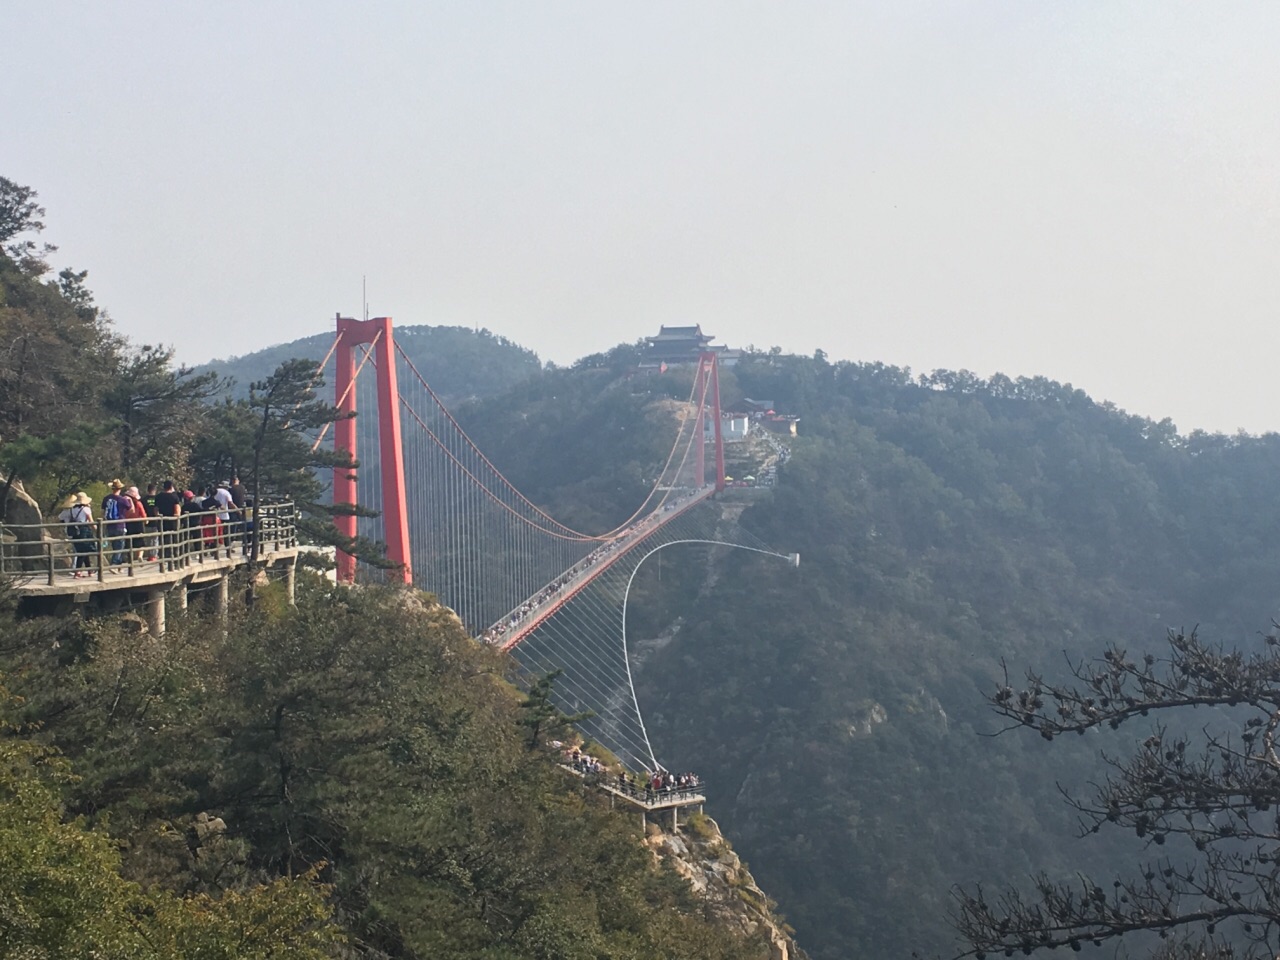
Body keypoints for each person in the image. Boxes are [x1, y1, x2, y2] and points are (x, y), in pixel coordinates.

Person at [58, 492, 95, 577]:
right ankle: (78, 571)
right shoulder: (86, 509)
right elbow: (91, 521)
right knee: (83, 551)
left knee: (82, 550)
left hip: (74, 532)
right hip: (84, 531)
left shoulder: (69, 510)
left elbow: (60, 518)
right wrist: (97, 529)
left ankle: (89, 570)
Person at [101, 480, 132, 565]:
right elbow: (131, 510)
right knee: (120, 546)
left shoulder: (106, 498)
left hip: (109, 525)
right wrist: (130, 500)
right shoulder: (123, 500)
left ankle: (118, 565)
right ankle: (114, 563)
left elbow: (103, 512)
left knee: (115, 546)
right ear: (120, 488)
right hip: (120, 525)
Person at [154, 480, 183, 562]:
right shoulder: (174, 497)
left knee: (163, 538)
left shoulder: (158, 496)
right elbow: (177, 508)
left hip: (162, 520)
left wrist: (157, 517)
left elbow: (156, 509)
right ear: (171, 486)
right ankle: (174, 555)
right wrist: (177, 516)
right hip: (172, 520)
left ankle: (164, 555)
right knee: (174, 538)